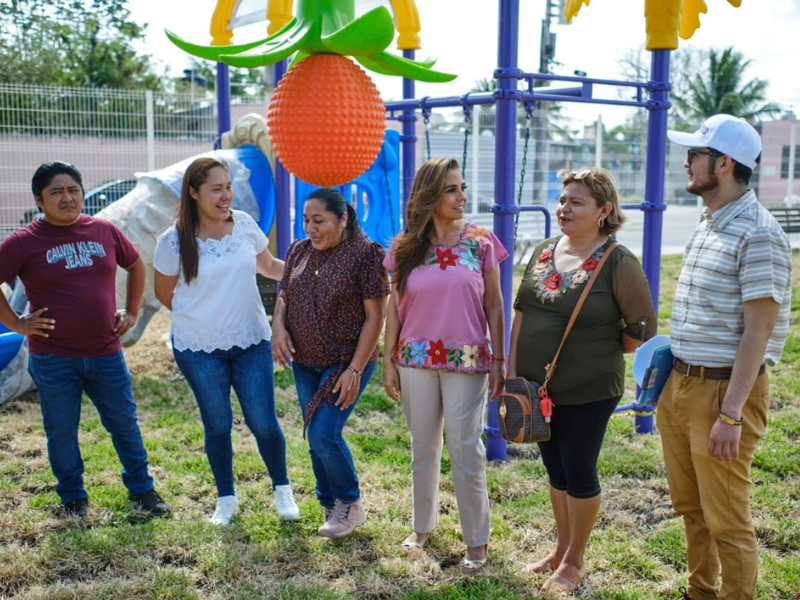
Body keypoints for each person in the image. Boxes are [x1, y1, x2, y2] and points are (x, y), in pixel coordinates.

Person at [659, 115, 792, 600]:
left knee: (727, 518)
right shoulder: (711, 221)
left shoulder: (758, 233)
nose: (686, 161)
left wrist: (730, 416)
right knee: (691, 506)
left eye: (695, 154)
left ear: (723, 164)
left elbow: (759, 334)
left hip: (723, 396)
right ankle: (700, 592)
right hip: (680, 386)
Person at [509, 167, 656, 593]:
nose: (563, 208)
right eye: (562, 200)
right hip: (537, 389)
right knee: (555, 469)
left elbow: (641, 330)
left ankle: (575, 562)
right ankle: (560, 549)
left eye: (576, 202)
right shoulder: (544, 250)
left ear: (604, 210)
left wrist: (593, 349)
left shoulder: (618, 261)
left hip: (588, 390)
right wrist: (512, 370)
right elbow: (524, 313)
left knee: (578, 470)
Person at [0, 161, 170, 519]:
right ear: (39, 200)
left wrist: (133, 311)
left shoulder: (104, 231)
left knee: (124, 423)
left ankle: (143, 490)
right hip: (53, 358)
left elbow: (136, 265)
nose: (67, 197)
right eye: (56, 192)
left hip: (106, 352)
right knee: (62, 431)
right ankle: (73, 497)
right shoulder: (22, 242)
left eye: (73, 189)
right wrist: (17, 323)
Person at [153, 157, 299, 525]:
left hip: (251, 339)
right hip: (198, 348)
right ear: (193, 192)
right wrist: (203, 317)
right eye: (216, 188)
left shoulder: (245, 224)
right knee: (217, 425)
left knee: (264, 422)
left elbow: (268, 267)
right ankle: (226, 500)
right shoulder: (172, 241)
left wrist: (312, 272)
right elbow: (165, 294)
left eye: (228, 187)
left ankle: (283, 492)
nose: (225, 195)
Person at [382, 158, 507, 572]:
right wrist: (388, 361)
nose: (462, 197)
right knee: (423, 447)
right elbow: (394, 308)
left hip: (468, 361)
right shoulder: (403, 246)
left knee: (465, 449)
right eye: (452, 189)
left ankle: (477, 540)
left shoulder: (481, 240)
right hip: (414, 360)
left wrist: (499, 358)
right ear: (430, 195)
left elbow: (494, 303)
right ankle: (423, 525)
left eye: (462, 187)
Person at [272, 188, 389, 539]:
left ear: (343, 219)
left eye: (319, 220)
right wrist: (278, 326)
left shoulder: (365, 254)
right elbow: (283, 295)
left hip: (345, 361)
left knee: (325, 433)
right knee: (314, 435)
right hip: (304, 361)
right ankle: (329, 504)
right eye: (307, 220)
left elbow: (376, 317)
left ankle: (351, 505)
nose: (311, 227)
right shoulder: (298, 250)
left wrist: (355, 369)